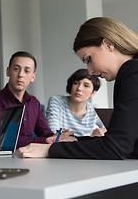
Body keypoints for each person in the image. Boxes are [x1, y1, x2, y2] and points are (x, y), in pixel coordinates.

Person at [19, 17, 138, 159]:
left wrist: (49, 150)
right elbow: (127, 145)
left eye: (88, 59)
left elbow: (115, 148)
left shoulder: (132, 70)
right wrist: (76, 141)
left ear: (108, 44)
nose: (90, 71)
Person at [0, 51, 54, 149]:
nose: (20, 74)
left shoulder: (34, 103)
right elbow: (8, 140)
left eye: (27, 71)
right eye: (16, 69)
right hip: (1, 160)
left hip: (28, 157)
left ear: (33, 76)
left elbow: (46, 134)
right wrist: (44, 141)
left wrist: (58, 137)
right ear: (8, 71)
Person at [46, 69, 106, 137]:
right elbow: (54, 135)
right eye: (76, 83)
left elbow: (111, 131)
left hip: (86, 147)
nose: (79, 88)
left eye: (86, 85)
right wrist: (91, 138)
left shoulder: (94, 109)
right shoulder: (57, 102)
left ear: (93, 92)